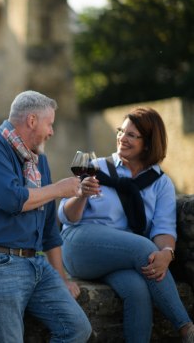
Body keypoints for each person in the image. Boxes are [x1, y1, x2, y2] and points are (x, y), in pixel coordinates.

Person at [0, 90, 92, 343]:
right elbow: (11, 199)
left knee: (78, 329)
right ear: (32, 121)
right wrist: (58, 189)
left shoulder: (38, 161)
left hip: (37, 267)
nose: (52, 131)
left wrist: (63, 279)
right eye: (50, 124)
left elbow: (48, 229)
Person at [59, 107, 194, 342]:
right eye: (121, 131)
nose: (122, 137)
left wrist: (165, 253)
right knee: (143, 248)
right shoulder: (96, 167)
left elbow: (163, 229)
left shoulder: (161, 183)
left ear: (149, 142)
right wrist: (80, 194)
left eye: (132, 134)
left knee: (137, 290)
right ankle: (187, 329)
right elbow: (65, 216)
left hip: (122, 256)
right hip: (80, 245)